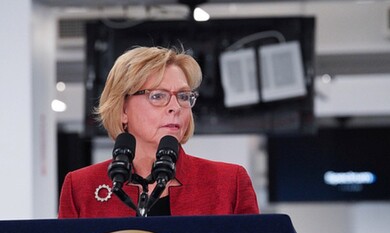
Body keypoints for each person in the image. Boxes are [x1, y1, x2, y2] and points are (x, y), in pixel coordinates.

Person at [58, 46, 259, 218]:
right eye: (157, 96)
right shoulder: (80, 187)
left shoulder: (230, 182)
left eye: (183, 96)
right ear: (123, 109)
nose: (176, 107)